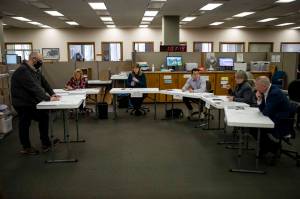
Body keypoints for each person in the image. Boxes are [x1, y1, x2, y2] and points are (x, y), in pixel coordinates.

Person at [11, 52, 60, 155]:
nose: (41, 63)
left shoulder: (35, 70)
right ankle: (26, 147)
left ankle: (45, 142)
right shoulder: (23, 71)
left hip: (30, 101)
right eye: (40, 61)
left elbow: (44, 83)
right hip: (22, 103)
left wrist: (53, 94)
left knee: (43, 116)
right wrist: (48, 98)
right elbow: (34, 87)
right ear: (33, 59)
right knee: (25, 123)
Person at [255, 76, 290, 156]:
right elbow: (263, 109)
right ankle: (268, 147)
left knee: (256, 129)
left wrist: (259, 99)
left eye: (257, 86)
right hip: (273, 117)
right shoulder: (267, 90)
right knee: (253, 128)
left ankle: (272, 147)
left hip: (281, 122)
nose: (256, 88)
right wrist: (260, 99)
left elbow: (266, 112)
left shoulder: (274, 93)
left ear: (264, 86)